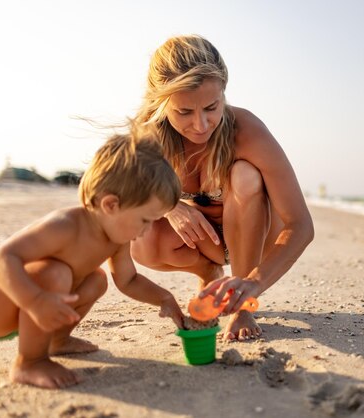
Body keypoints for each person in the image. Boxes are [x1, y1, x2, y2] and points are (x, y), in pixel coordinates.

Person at [0, 132, 185, 389]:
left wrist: (164, 298)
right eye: (145, 220)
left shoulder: (118, 237)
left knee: (97, 280)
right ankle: (29, 361)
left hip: (38, 302)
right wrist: (34, 300)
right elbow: (2, 258)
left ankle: (57, 339)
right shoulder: (64, 226)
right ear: (111, 205)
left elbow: (129, 279)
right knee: (56, 273)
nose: (147, 231)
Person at [130, 34, 314, 341]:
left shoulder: (246, 130)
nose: (200, 125)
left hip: (258, 235)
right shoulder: (149, 137)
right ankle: (209, 274)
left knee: (244, 175)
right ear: (160, 103)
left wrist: (254, 283)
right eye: (184, 112)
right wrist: (171, 207)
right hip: (206, 241)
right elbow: (115, 202)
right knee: (142, 239)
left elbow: (301, 225)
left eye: (211, 107)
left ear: (223, 93)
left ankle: (242, 304)